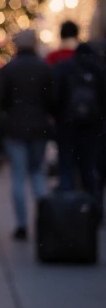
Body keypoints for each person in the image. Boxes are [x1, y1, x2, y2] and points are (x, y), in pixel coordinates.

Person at [0, 30, 53, 240]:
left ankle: (21, 224)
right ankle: (46, 222)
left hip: (15, 128)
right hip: (38, 127)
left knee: (18, 176)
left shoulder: (9, 70)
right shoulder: (45, 69)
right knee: (37, 174)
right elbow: (52, 100)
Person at [52, 41, 106, 211]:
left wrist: (58, 119)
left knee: (67, 168)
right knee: (89, 170)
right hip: (92, 130)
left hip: (67, 128)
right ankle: (92, 211)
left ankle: (68, 213)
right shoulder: (97, 70)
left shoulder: (64, 68)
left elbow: (55, 98)